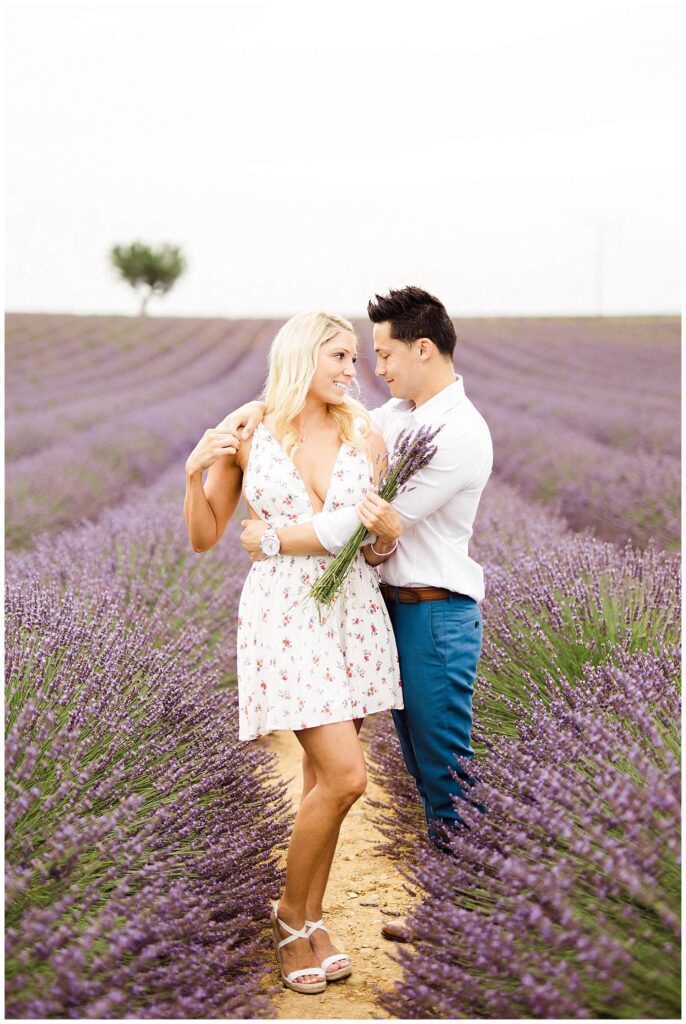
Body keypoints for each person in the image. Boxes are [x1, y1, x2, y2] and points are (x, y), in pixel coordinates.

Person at [225, 286, 493, 939]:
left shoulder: (460, 434)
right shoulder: (401, 415)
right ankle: (427, 908)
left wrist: (271, 540)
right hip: (378, 613)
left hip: (434, 616)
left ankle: (460, 917)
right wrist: (265, 405)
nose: (374, 369)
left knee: (441, 770)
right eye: (357, 355)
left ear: (423, 349)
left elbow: (360, 524)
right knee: (412, 768)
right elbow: (336, 417)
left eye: (383, 353)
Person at [183, 311, 404, 992]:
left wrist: (384, 537)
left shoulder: (366, 435)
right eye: (339, 356)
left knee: (322, 784)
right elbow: (206, 534)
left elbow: (367, 544)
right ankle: (286, 917)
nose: (352, 369)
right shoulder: (249, 427)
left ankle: (312, 918)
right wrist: (196, 472)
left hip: (353, 613)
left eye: (355, 358)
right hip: (285, 614)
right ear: (304, 356)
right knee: (346, 776)